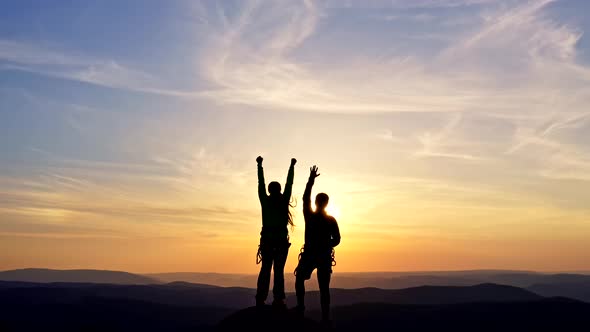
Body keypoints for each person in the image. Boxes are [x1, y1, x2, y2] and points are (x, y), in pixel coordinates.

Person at [294, 165, 341, 323]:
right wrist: (327, 245)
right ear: (327, 203)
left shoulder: (310, 216)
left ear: (316, 202)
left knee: (300, 278)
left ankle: (301, 307)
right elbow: (337, 239)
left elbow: (305, 198)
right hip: (323, 255)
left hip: (310, 254)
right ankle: (325, 317)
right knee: (324, 288)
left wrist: (311, 180)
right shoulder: (330, 220)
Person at [255, 156, 297, 308]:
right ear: (279, 190)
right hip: (280, 242)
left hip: (267, 241)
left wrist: (259, 165)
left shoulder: (265, 202)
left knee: (265, 269)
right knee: (278, 271)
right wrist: (292, 166)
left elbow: (261, 183)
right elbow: (289, 183)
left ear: (269, 191)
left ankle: (261, 298)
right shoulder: (283, 201)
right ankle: (278, 299)